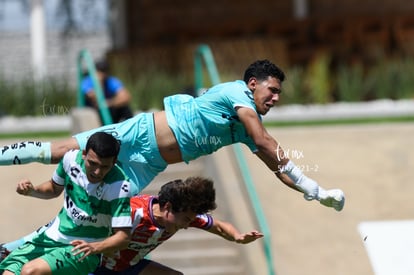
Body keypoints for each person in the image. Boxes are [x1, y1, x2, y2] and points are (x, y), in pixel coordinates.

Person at [0, 60, 345, 252]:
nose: (276, 99)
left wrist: (313, 194)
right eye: (273, 91)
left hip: (151, 162)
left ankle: (12, 249)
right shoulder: (237, 95)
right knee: (60, 151)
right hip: (141, 133)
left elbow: (276, 168)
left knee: (101, 219)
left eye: (279, 94)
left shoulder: (243, 126)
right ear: (253, 84)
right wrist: (310, 181)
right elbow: (266, 141)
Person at [0, 132, 133, 275]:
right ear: (84, 154)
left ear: (114, 162)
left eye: (104, 166)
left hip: (83, 249)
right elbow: (53, 188)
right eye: (92, 163)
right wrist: (32, 190)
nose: (97, 172)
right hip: (52, 237)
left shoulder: (120, 186)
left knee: (30, 271)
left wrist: (94, 247)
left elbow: (124, 237)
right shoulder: (70, 159)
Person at [92, 176, 263, 274]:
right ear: (167, 207)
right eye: (187, 220)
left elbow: (218, 226)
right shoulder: (133, 212)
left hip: (130, 266)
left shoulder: (183, 213)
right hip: (97, 266)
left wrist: (237, 237)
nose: (188, 225)